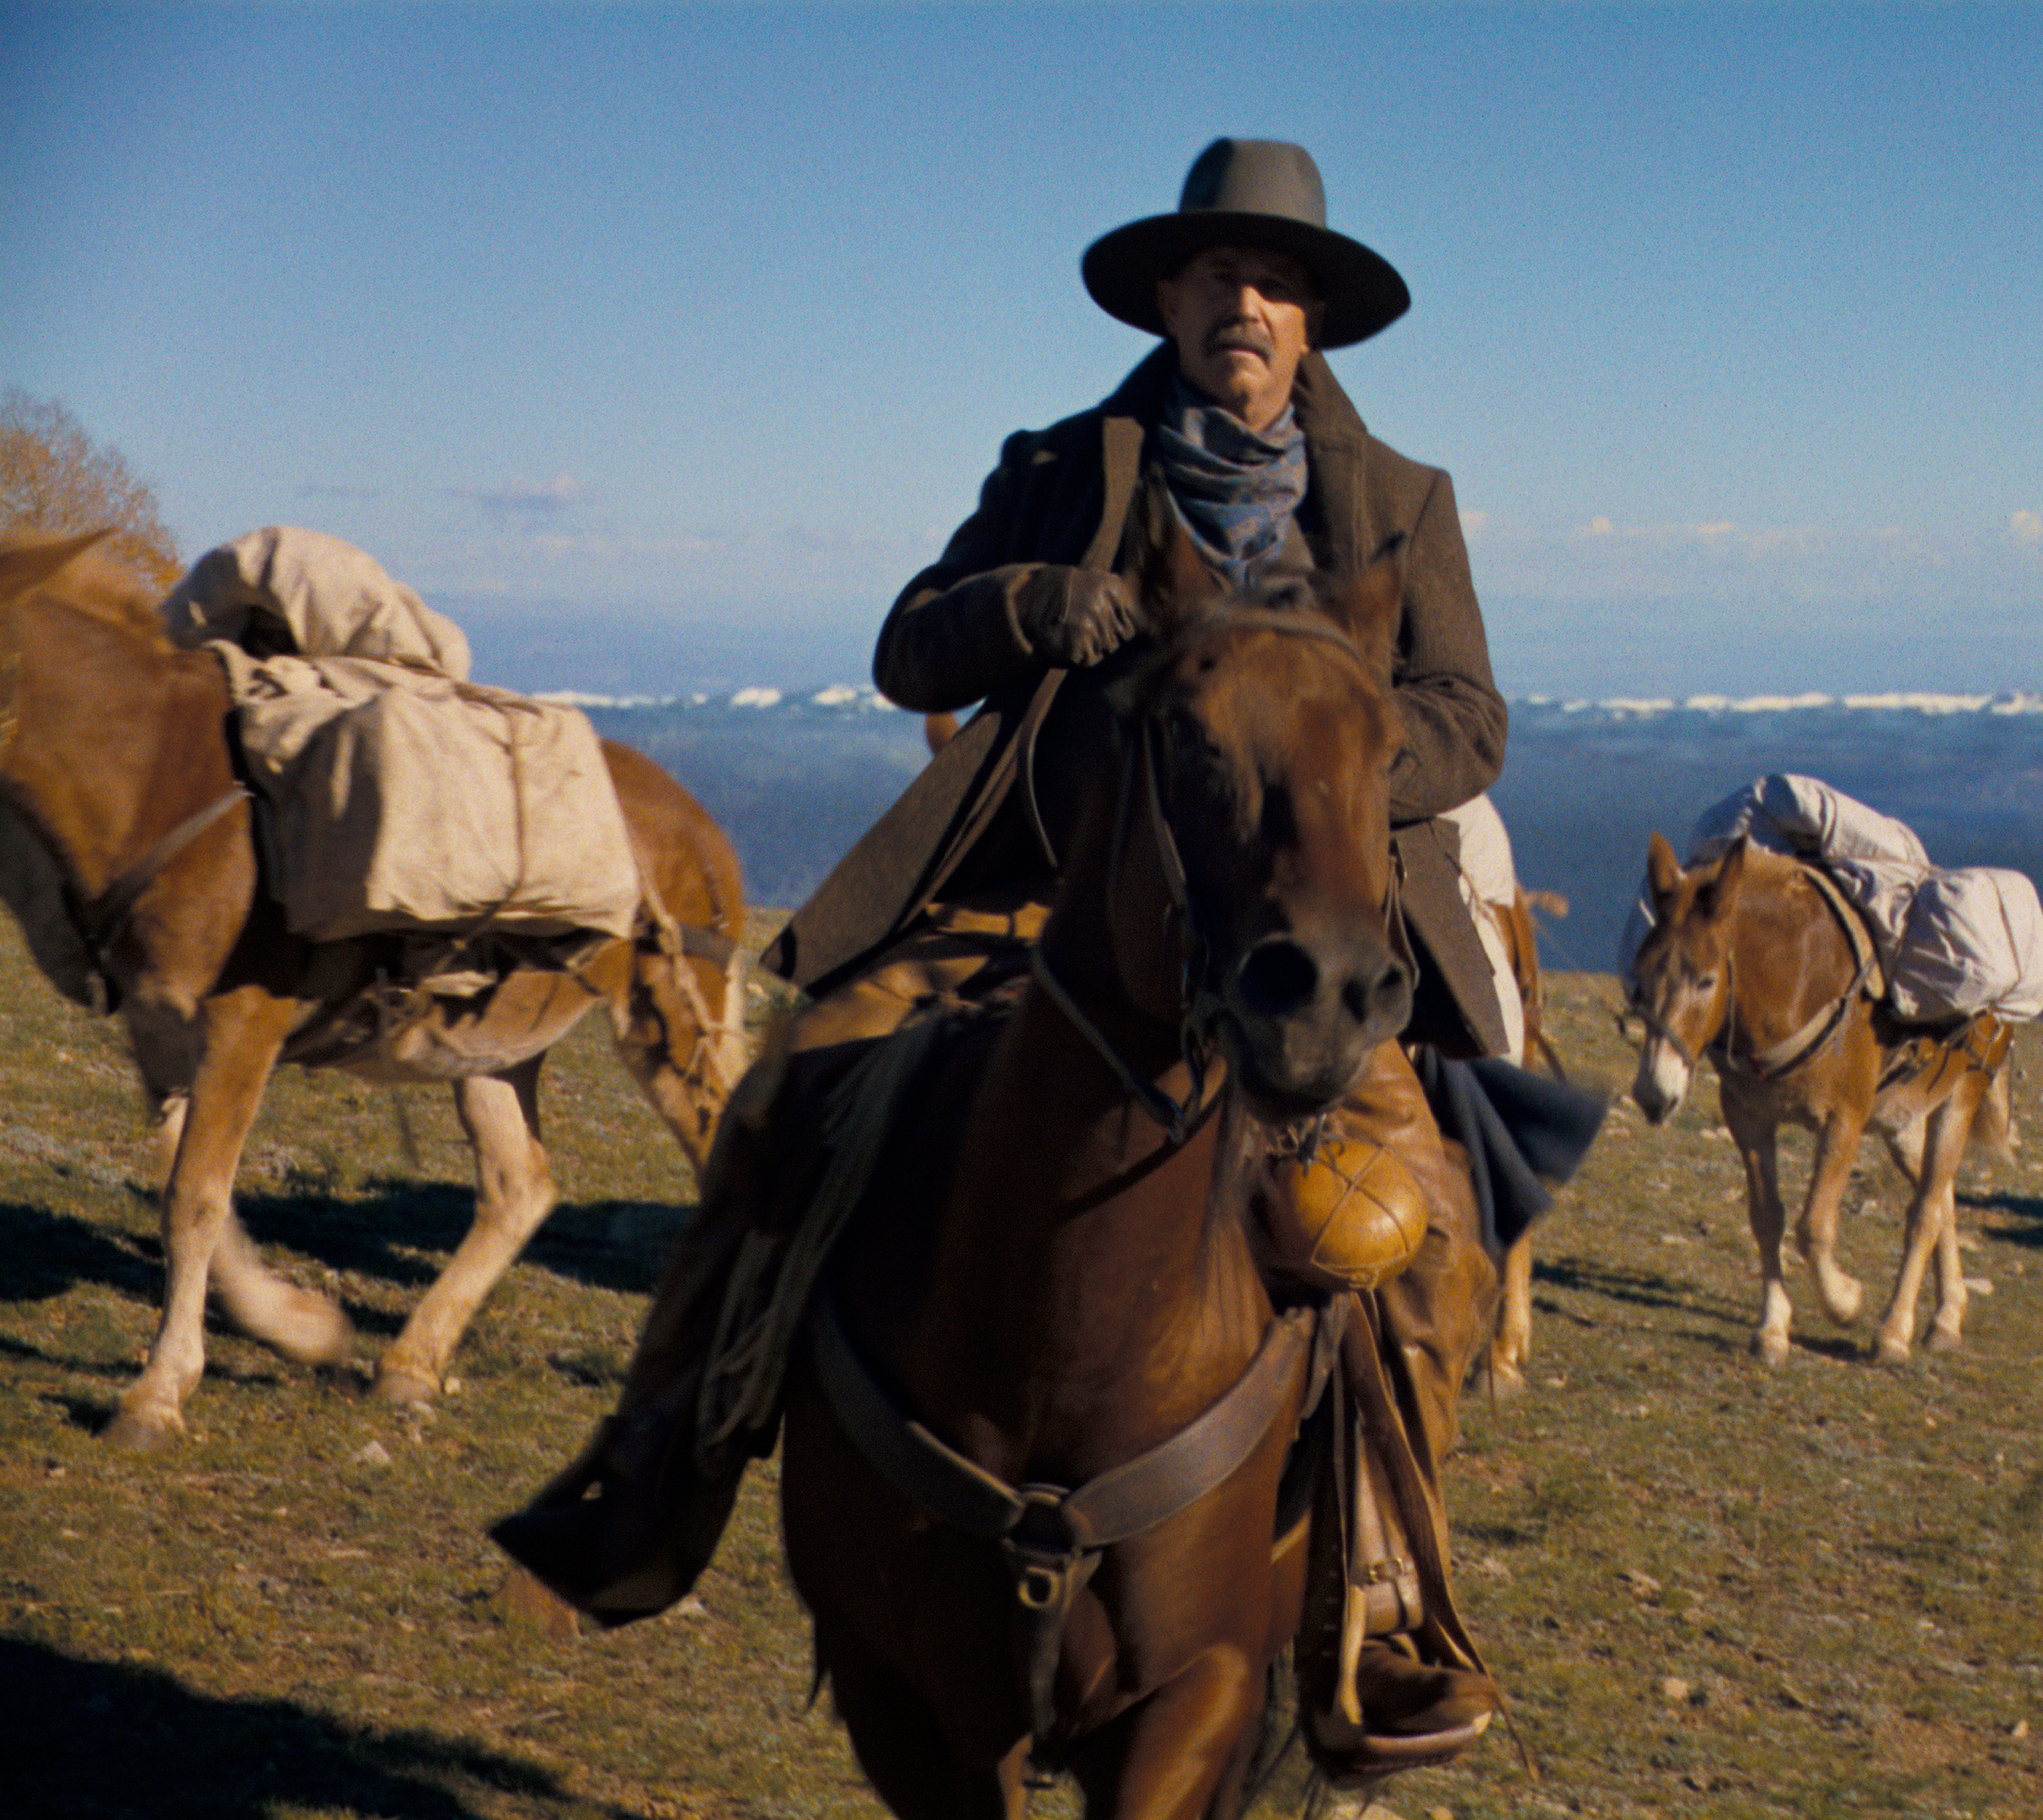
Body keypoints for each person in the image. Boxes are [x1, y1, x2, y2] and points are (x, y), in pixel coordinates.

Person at [496, 138, 1592, 1773]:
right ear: (1169, 294)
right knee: (791, 1099)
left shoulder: (1401, 504)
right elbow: (906, 642)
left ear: (1315, 321)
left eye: (1278, 281)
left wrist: (1335, 766)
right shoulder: (1066, 460)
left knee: (1414, 1228)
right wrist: (1024, 602)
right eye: (1220, 273)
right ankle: (664, 1457)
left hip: (1302, 934)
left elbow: (1472, 718)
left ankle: (1376, 1596)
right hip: (1030, 909)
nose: (1248, 303)